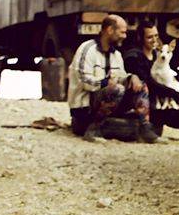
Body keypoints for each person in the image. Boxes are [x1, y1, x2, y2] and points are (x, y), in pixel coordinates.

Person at [67, 14, 159, 143]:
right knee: (116, 89)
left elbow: (120, 77)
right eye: (122, 32)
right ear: (110, 30)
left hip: (108, 104)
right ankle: (93, 129)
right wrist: (106, 82)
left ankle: (145, 128)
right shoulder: (87, 49)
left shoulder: (116, 54)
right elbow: (84, 81)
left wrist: (132, 78)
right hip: (85, 108)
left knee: (139, 84)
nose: (125, 36)